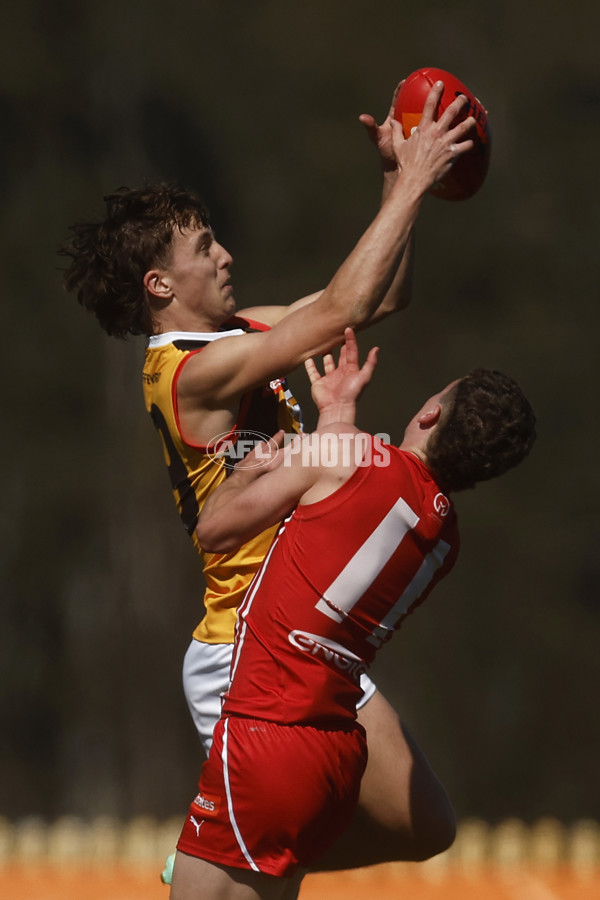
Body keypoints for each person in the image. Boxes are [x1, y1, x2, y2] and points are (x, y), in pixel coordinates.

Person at [61, 80, 477, 872]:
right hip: (242, 648)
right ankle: (221, 863)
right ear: (160, 286)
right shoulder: (190, 374)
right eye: (205, 248)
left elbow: (378, 298)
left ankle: (225, 860)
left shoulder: (238, 331)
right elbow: (341, 302)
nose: (226, 256)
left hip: (303, 633)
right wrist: (422, 178)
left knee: (427, 825)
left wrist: (397, 176)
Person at [170, 328, 536, 900]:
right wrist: (337, 420)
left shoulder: (348, 454)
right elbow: (358, 512)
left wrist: (252, 467)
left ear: (431, 412)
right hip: (337, 751)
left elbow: (215, 529)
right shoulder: (443, 540)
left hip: (266, 728)